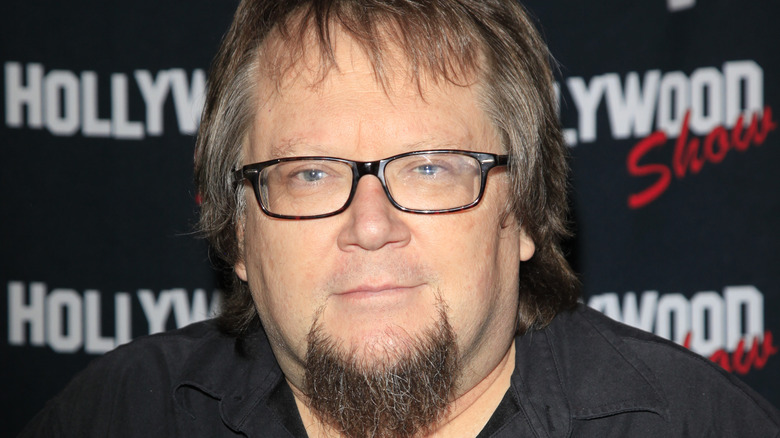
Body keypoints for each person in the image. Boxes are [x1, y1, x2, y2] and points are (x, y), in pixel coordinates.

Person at [21, 0, 780, 437]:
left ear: (522, 215)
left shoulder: (691, 426)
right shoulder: (122, 416)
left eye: (429, 166)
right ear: (239, 232)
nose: (371, 224)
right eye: (309, 174)